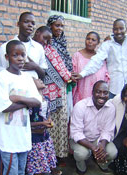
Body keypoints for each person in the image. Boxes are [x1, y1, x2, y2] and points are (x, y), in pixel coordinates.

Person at [0, 40, 41, 175]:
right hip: (7, 137)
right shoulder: (1, 77)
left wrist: (17, 98)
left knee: (20, 173)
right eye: (15, 55)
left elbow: (37, 101)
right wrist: (27, 103)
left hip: (22, 136)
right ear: (6, 57)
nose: (20, 58)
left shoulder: (26, 78)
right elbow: (3, 106)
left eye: (23, 55)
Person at [33, 26, 72, 174]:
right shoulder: (31, 50)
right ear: (37, 34)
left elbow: (64, 71)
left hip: (58, 93)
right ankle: (42, 164)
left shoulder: (51, 50)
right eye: (45, 38)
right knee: (44, 127)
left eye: (49, 40)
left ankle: (56, 158)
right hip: (41, 93)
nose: (47, 42)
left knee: (58, 126)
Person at [72, 19, 127, 98]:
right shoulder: (107, 45)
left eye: (121, 28)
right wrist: (82, 74)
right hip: (113, 88)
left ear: (126, 29)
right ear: (112, 30)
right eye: (116, 29)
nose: (119, 31)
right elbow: (97, 60)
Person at [70, 81, 117, 175]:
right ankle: (80, 165)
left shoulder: (111, 108)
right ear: (92, 92)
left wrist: (101, 147)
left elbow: (107, 131)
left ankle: (101, 162)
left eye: (105, 92)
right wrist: (94, 148)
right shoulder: (80, 106)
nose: (102, 95)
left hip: (98, 139)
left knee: (112, 153)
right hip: (81, 139)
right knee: (81, 154)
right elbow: (76, 133)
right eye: (98, 92)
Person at [46, 15, 74, 161]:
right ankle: (50, 157)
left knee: (63, 119)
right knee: (50, 122)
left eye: (62, 26)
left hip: (63, 87)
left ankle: (60, 154)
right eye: (57, 25)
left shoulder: (62, 44)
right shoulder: (46, 44)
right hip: (49, 89)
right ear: (50, 26)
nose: (59, 29)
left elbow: (66, 66)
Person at [0, 12, 47, 79]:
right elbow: (1, 73)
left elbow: (44, 75)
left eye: (33, 23)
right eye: (26, 22)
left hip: (34, 88)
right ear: (18, 24)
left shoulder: (39, 48)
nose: (30, 25)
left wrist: (36, 67)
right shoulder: (5, 47)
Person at [26, 78, 57, 175]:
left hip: (44, 136)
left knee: (46, 162)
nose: (40, 79)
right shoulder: (30, 102)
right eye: (36, 79)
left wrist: (49, 121)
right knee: (39, 166)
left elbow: (48, 115)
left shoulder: (46, 99)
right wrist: (42, 123)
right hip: (35, 138)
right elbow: (25, 123)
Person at [72, 31, 109, 105]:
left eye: (93, 40)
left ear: (98, 43)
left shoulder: (100, 58)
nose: (90, 42)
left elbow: (106, 77)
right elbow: (73, 75)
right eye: (88, 39)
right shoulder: (77, 56)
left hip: (97, 97)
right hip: (81, 96)